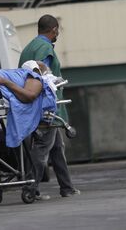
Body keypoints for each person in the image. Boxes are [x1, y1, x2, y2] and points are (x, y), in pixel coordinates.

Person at [18, 14, 80, 200]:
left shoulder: (28, 47)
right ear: (53, 30)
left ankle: (66, 187)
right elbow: (45, 78)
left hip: (32, 105)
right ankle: (31, 188)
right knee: (43, 148)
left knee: (56, 147)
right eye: (57, 31)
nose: (57, 35)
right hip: (47, 108)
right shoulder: (45, 49)